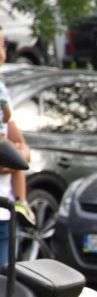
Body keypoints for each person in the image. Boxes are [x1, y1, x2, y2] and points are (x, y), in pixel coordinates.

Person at [0, 25, 36, 239]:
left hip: (5, 214)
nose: (2, 52)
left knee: (7, 272)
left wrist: (14, 158)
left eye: (3, 45)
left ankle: (22, 202)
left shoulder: (2, 89)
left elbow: (22, 147)